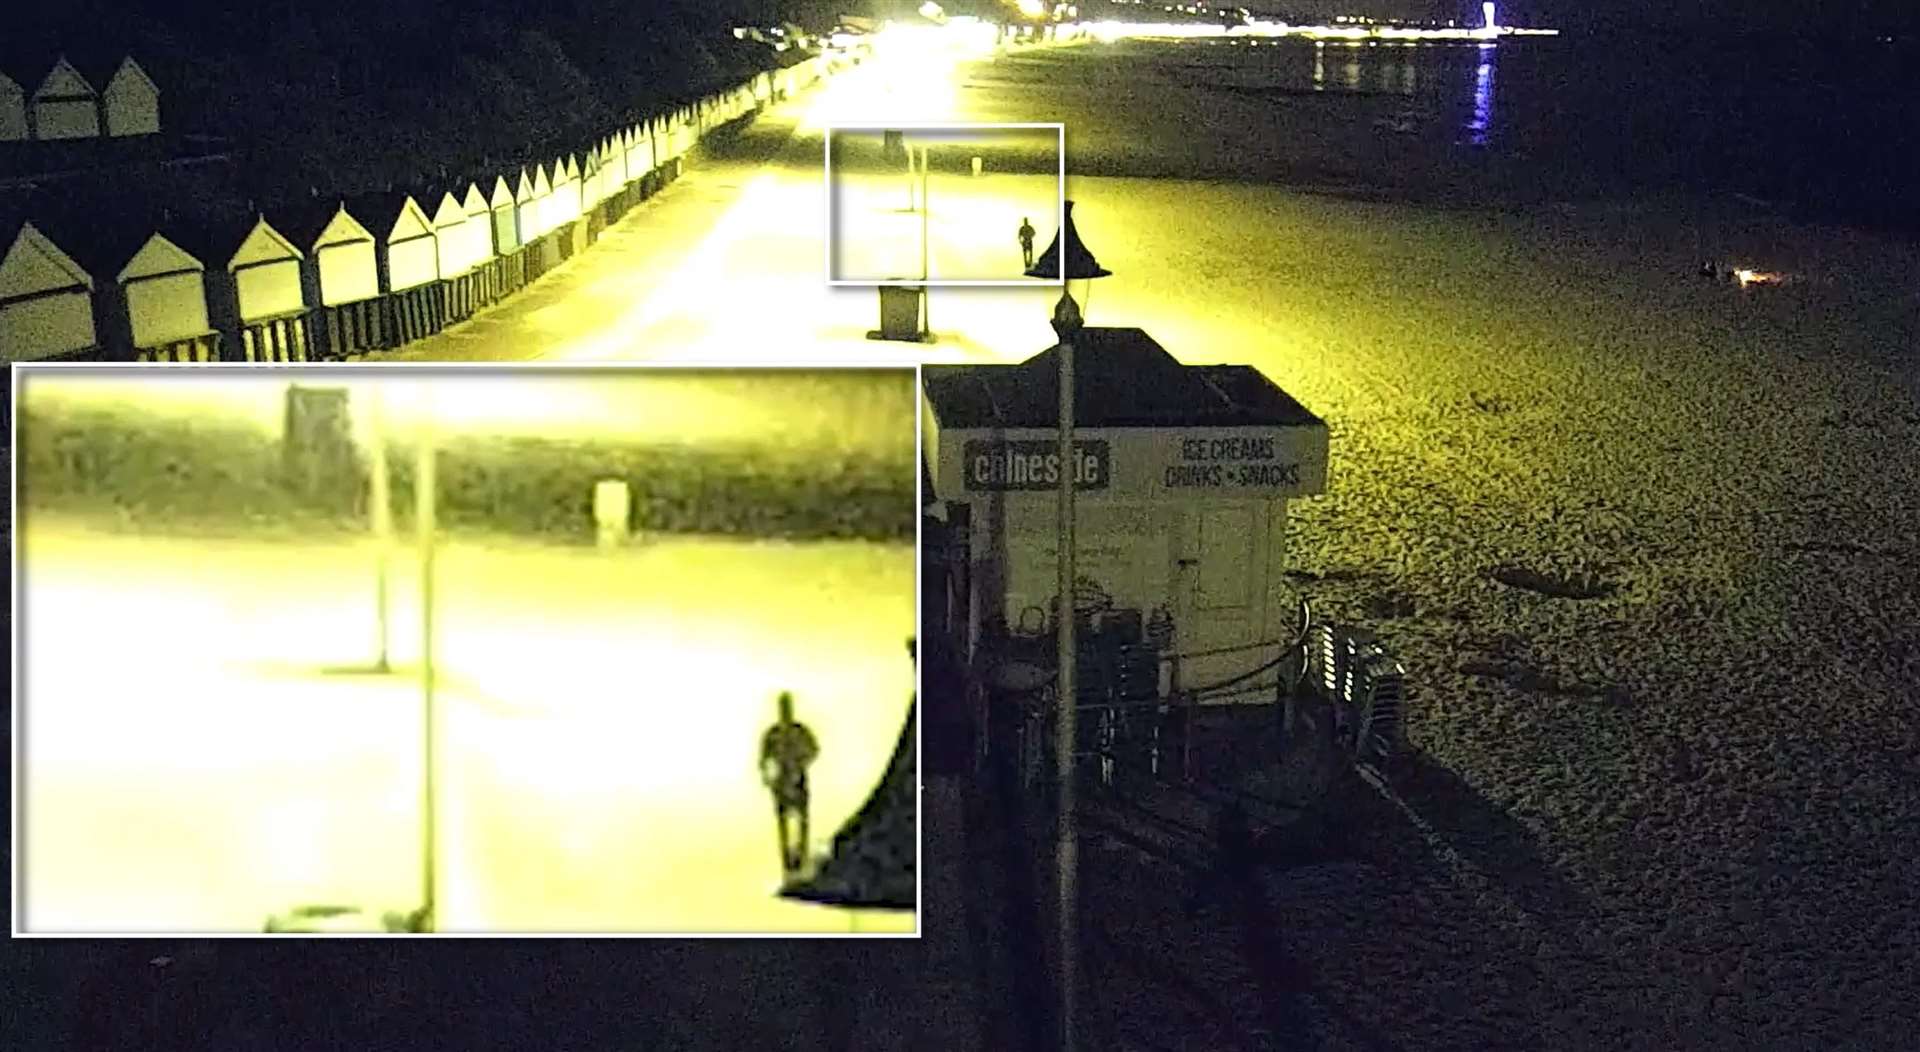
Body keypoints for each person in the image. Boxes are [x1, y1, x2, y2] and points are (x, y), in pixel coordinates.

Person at [761, 692, 820, 876]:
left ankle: (800, 855)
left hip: (798, 779)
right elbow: (763, 758)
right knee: (784, 823)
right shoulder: (774, 734)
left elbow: (814, 749)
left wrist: (802, 762)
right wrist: (768, 775)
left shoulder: (798, 731)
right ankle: (788, 860)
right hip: (782, 782)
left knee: (802, 820)